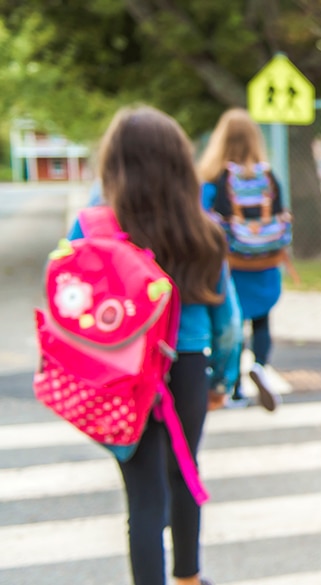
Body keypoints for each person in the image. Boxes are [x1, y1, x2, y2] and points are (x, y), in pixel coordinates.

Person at [68, 105, 242, 585]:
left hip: (119, 373)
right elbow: (227, 321)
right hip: (185, 366)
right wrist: (221, 380)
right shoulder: (204, 231)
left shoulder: (91, 227)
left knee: (142, 494)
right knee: (184, 473)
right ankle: (188, 577)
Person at [196, 108, 287, 411]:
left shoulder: (212, 180)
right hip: (266, 262)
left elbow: (200, 219)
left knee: (230, 325)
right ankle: (260, 365)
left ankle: (232, 387)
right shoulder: (267, 177)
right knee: (261, 320)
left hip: (229, 265)